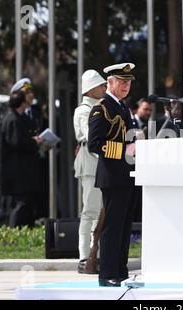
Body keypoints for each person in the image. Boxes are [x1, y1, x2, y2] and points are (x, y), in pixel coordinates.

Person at [88, 62, 137, 287]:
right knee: (113, 227)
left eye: (128, 82)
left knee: (124, 227)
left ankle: (120, 271)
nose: (126, 85)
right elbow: (94, 144)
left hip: (127, 174)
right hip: (112, 175)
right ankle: (108, 273)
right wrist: (124, 150)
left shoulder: (122, 107)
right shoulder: (102, 108)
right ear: (110, 82)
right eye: (122, 81)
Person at [73, 69, 107, 273]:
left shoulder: (101, 107)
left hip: (102, 162)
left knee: (101, 212)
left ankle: (98, 254)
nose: (104, 88)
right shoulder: (84, 110)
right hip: (91, 162)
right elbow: (91, 135)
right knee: (90, 210)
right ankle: (85, 256)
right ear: (92, 88)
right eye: (101, 85)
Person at [0, 90, 44, 227]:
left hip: (22, 171)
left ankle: (23, 230)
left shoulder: (17, 118)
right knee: (21, 203)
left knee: (26, 203)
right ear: (22, 102)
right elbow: (17, 142)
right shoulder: (12, 120)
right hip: (17, 172)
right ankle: (14, 232)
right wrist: (34, 142)